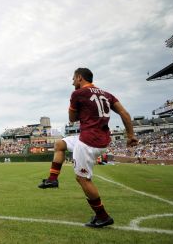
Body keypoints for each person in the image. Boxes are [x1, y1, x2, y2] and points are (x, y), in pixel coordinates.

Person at [38, 68, 138, 228]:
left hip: (89, 141)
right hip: (100, 138)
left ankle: (103, 216)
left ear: (79, 78)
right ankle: (52, 180)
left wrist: (77, 110)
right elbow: (124, 113)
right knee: (59, 144)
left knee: (83, 179)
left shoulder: (78, 94)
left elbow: (71, 119)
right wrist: (130, 135)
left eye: (73, 79)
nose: (72, 83)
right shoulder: (107, 94)